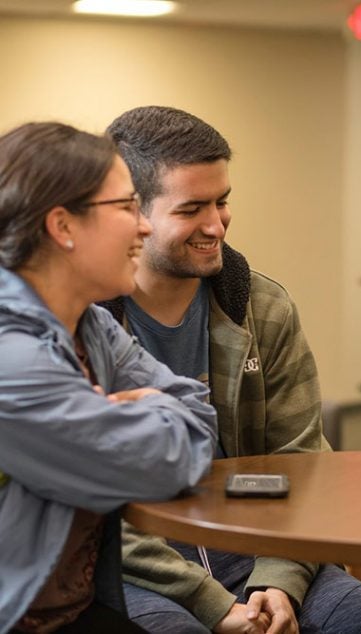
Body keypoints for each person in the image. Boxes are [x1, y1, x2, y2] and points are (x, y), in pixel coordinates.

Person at [100, 106, 361, 634]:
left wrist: (277, 582)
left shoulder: (263, 306)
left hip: (259, 546)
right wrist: (213, 605)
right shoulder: (84, 319)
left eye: (223, 202)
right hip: (138, 565)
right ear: (134, 212)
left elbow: (306, 464)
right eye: (192, 208)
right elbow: (92, 502)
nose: (215, 224)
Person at [0, 122, 217, 632]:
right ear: (63, 226)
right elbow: (161, 463)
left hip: (67, 609)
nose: (143, 226)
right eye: (125, 207)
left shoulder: (89, 322)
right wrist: (153, 409)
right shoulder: (11, 360)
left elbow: (201, 422)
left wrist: (133, 410)